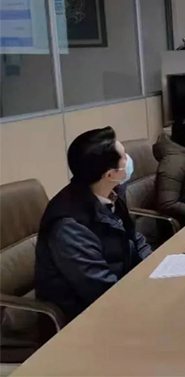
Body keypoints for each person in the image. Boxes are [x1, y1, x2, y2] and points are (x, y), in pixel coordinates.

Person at [35, 127, 152, 322]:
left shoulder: (111, 194)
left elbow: (134, 238)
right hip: (85, 318)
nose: (129, 159)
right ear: (110, 174)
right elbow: (100, 290)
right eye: (124, 156)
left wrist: (156, 268)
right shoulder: (69, 226)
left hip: (124, 293)